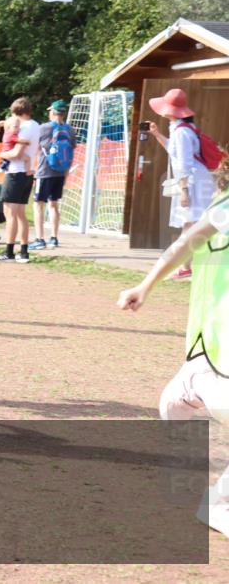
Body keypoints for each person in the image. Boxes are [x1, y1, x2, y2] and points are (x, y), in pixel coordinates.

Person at [117, 165, 227, 536]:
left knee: (178, 401)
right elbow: (186, 243)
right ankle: (218, 504)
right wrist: (144, 286)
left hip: (207, 349)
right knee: (185, 399)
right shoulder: (226, 207)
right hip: (217, 350)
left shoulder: (222, 204)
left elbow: (187, 244)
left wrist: (145, 286)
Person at [147, 88, 217, 280]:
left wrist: (184, 190)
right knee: (191, 225)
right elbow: (174, 150)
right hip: (196, 180)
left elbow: (184, 163)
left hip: (193, 182)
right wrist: (157, 134)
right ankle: (187, 266)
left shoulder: (181, 132)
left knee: (190, 225)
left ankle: (186, 266)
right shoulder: (184, 129)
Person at [0, 97, 39, 263]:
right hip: (27, 173)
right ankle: (24, 252)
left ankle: (9, 251)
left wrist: (2, 154)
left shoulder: (23, 128)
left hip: (15, 173)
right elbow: (9, 122)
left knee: (10, 214)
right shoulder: (35, 125)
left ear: (18, 113)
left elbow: (16, 153)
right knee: (20, 215)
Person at [30, 100, 72, 250]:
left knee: (38, 205)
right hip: (60, 172)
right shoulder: (69, 129)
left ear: (53, 112)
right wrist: (66, 173)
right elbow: (71, 152)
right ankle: (54, 238)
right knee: (54, 204)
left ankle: (39, 238)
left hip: (44, 172)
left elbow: (33, 145)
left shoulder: (44, 128)